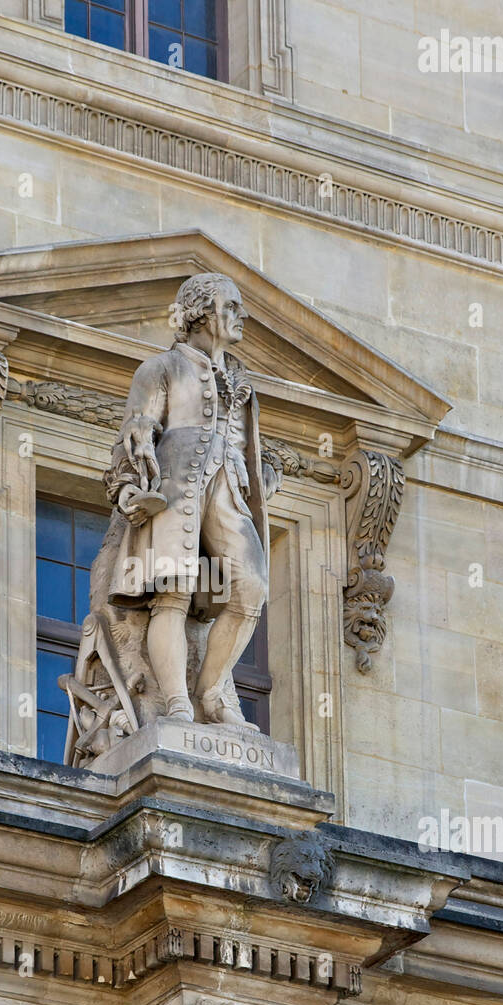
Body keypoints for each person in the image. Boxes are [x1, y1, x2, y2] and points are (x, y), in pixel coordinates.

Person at [103, 272, 281, 728]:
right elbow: (134, 431)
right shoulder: (162, 367)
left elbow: (246, 444)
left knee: (251, 587)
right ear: (202, 313)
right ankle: (178, 702)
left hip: (228, 489)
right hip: (174, 487)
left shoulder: (241, 383)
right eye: (232, 307)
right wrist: (129, 487)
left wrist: (261, 478)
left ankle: (212, 691)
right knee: (172, 595)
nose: (241, 317)